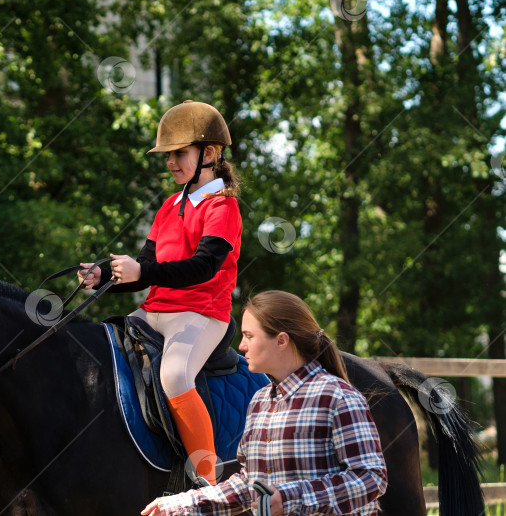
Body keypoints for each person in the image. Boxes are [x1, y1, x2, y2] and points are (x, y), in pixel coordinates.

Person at [78, 100, 242, 485]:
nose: (170, 162)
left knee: (175, 376)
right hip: (154, 310)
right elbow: (142, 270)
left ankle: (207, 482)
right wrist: (103, 275)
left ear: (211, 153)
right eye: (167, 155)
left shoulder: (223, 208)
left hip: (202, 313)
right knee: (99, 355)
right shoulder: (170, 205)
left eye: (179, 153)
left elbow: (202, 268)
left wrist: (144, 271)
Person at [141, 290, 388, 516]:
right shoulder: (259, 401)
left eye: (249, 336)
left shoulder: (337, 397)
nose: (241, 345)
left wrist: (290, 498)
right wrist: (179, 505)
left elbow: (371, 478)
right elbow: (249, 485)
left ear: (281, 340)